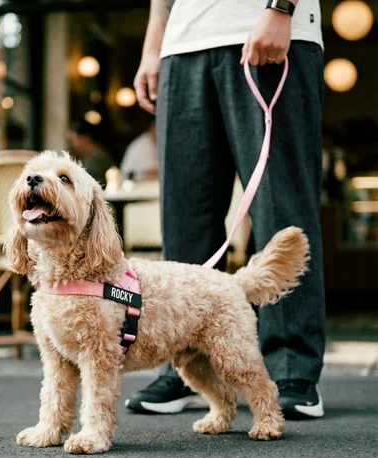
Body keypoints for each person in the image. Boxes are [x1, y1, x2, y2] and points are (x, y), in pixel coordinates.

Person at [125, 0, 326, 420]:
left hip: (266, 27)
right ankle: (187, 365)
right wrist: (152, 48)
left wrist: (282, 9)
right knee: (185, 215)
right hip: (183, 45)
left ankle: (291, 369)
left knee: (280, 207)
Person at [67, 121, 116, 188]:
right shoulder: (97, 156)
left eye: (72, 141)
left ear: (85, 138)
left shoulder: (95, 160)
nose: (71, 146)